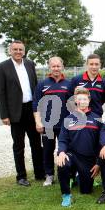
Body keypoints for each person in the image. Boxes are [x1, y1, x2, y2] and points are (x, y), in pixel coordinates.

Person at [0, 40, 44, 186]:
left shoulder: (29, 64)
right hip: (15, 111)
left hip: (31, 109)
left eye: (20, 49)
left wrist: (38, 109)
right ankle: (21, 177)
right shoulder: (2, 67)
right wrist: (4, 114)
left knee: (36, 143)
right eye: (15, 49)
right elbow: (0, 92)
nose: (18, 52)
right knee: (19, 145)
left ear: (24, 51)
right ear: (10, 51)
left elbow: (35, 87)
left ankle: (39, 173)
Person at [55, 87, 101, 207]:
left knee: (86, 191)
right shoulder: (68, 119)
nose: (82, 102)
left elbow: (100, 143)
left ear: (89, 100)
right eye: (79, 99)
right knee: (62, 163)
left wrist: (98, 163)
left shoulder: (96, 119)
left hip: (88, 159)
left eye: (85, 99)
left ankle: (78, 177)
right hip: (72, 155)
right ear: (75, 100)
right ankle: (66, 195)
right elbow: (63, 140)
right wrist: (61, 152)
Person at [33, 56, 71, 186]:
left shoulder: (69, 84)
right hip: (47, 125)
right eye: (53, 66)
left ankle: (66, 174)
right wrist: (38, 122)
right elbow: (36, 104)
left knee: (64, 149)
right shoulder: (42, 84)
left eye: (58, 66)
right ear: (50, 67)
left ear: (62, 67)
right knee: (48, 150)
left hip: (64, 125)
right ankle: (49, 175)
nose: (56, 68)